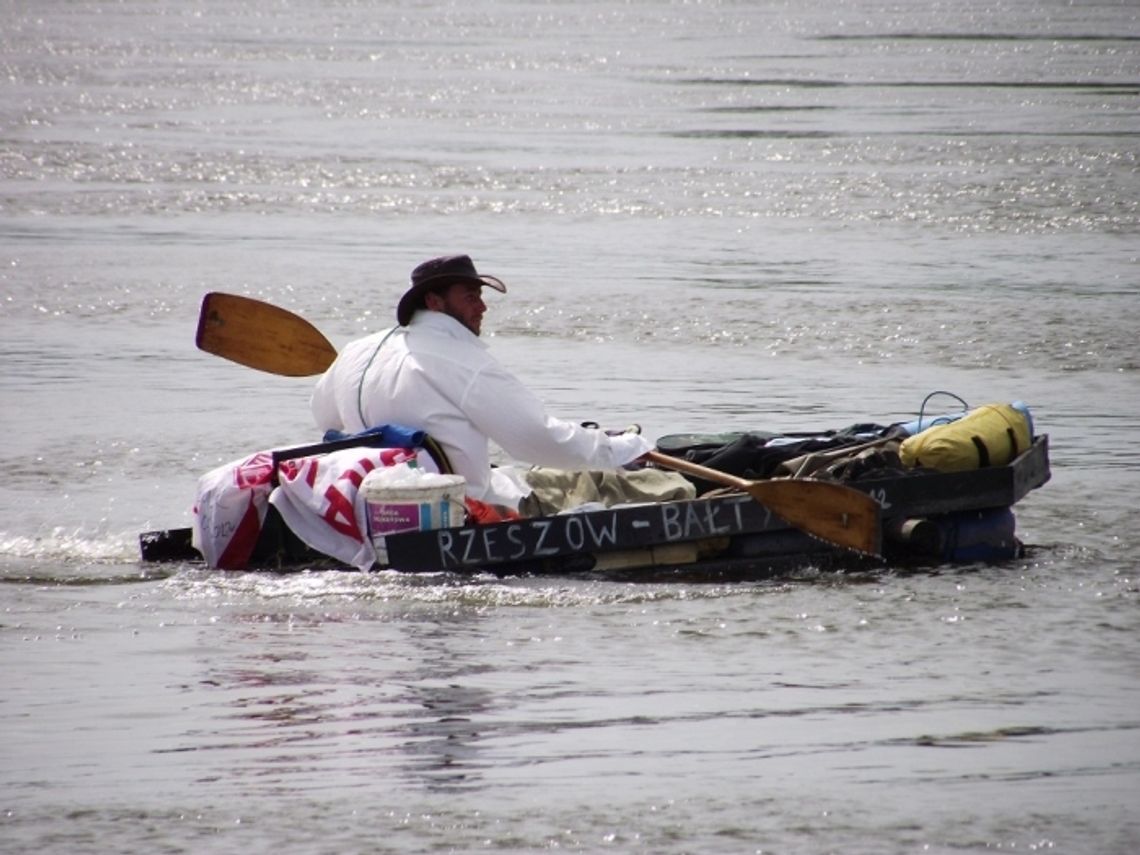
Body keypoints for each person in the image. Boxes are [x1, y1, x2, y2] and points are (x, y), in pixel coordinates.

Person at [310, 254, 662, 510]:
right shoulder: (464, 361)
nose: (482, 308)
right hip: (463, 508)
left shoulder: (355, 351)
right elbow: (535, 439)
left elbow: (324, 418)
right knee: (613, 485)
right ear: (434, 301)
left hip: (371, 506)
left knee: (522, 476)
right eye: (470, 297)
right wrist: (624, 449)